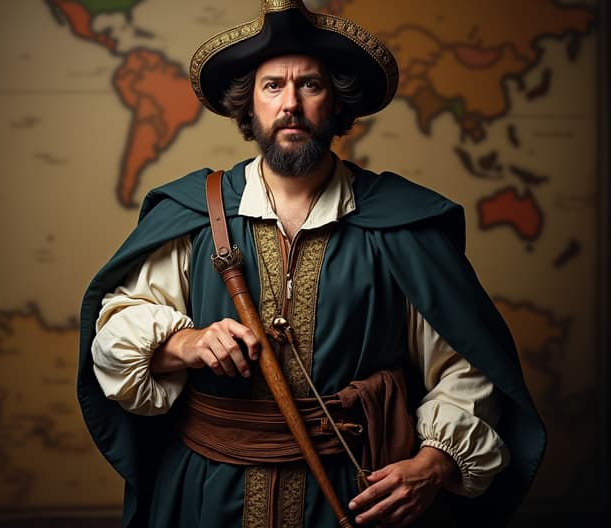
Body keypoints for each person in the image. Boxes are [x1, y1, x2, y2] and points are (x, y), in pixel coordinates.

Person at [78, 1, 546, 527]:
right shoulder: (189, 214)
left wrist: (434, 463)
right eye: (273, 86)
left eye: (311, 86)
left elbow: (465, 366)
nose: (291, 105)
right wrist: (185, 343)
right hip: (206, 494)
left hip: (353, 493)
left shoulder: (403, 224)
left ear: (337, 103)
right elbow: (116, 340)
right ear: (249, 105)